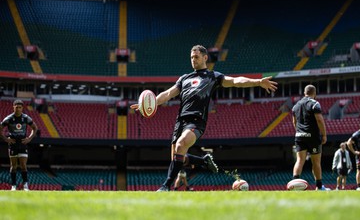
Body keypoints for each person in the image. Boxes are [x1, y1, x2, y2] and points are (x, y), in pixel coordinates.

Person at [130, 45, 278, 191]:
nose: (193, 60)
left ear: (205, 57)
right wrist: (149, 103)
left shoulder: (213, 77)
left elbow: (234, 81)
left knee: (181, 146)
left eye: (196, 57)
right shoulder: (184, 78)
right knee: (178, 157)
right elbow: (168, 94)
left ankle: (165, 186)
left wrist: (258, 82)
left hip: (197, 121)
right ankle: (204, 161)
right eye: (191, 57)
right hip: (180, 121)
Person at [291, 84, 329, 191]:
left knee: (299, 160)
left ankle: (294, 185)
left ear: (304, 93)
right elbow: (320, 120)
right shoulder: (315, 103)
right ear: (314, 93)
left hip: (299, 136)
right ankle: (319, 186)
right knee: (316, 162)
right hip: (312, 136)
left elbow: (294, 122)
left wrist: (299, 132)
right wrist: (324, 134)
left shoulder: (296, 105)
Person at [0, 99, 38, 191]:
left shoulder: (26, 118)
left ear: (22, 108)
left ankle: (25, 185)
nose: (18, 109)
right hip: (13, 144)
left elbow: (35, 128)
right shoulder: (9, 118)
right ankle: (13, 186)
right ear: (13, 107)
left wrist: (29, 138)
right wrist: (5, 139)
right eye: (16, 107)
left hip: (23, 144)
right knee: (13, 166)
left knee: (23, 165)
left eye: (20, 107)